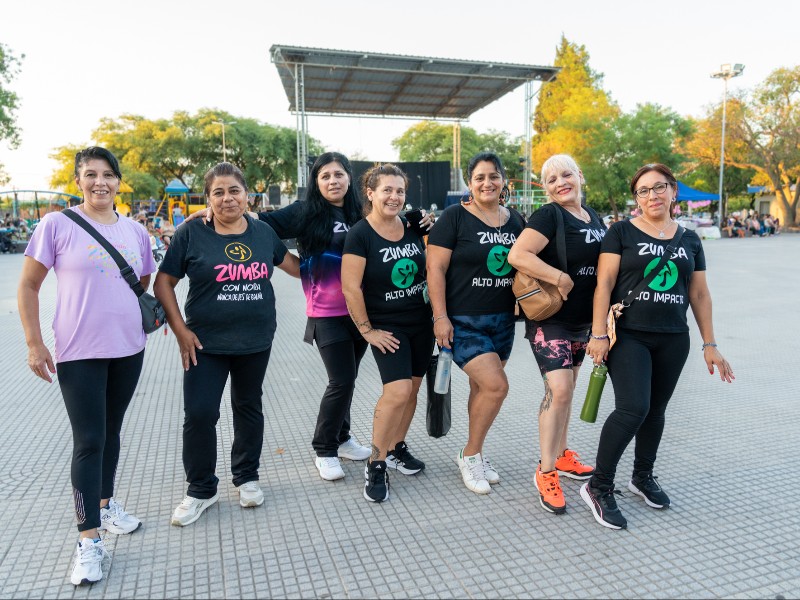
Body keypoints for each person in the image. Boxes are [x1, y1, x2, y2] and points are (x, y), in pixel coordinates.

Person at [186, 152, 432, 482]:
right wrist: (213, 211)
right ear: (316, 181)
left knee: (349, 379)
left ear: (349, 178)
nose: (333, 181)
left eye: (339, 174)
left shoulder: (360, 211)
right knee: (340, 380)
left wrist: (422, 219)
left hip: (363, 312)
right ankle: (324, 448)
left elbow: (395, 223)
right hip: (327, 313)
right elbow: (256, 222)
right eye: (325, 176)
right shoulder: (304, 211)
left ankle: (342, 438)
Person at [17, 146, 156, 586]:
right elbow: (28, 285)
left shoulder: (135, 231)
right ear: (78, 181)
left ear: (118, 181)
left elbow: (143, 280)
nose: (100, 182)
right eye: (91, 174)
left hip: (129, 348)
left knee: (112, 431)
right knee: (89, 441)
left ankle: (105, 505)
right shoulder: (56, 225)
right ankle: (88, 539)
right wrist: (34, 343)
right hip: (78, 352)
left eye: (108, 174)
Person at [583, 163, 735, 530]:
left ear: (673, 191)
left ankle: (642, 475)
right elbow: (604, 284)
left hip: (673, 337)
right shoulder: (620, 232)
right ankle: (598, 485)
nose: (652, 195)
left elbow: (699, 294)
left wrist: (710, 343)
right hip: (629, 335)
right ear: (636, 198)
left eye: (659, 187)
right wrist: (598, 334)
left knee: (656, 410)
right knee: (633, 408)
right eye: (644, 190)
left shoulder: (690, 239)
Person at [154, 162, 300, 527]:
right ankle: (201, 489)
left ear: (247, 195)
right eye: (218, 192)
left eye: (234, 190)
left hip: (256, 339)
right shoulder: (191, 233)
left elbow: (296, 267)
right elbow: (163, 283)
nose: (227, 198)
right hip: (204, 343)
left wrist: (342, 253)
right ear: (208, 198)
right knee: (200, 413)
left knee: (248, 406)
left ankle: (247, 477)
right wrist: (180, 330)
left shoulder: (263, 232)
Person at [508, 154, 606, 514]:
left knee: (568, 391)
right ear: (546, 188)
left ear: (579, 175)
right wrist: (558, 277)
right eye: (551, 179)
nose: (560, 183)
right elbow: (518, 255)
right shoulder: (548, 215)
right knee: (559, 391)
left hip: (583, 323)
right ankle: (546, 470)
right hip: (551, 320)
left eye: (566, 175)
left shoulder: (593, 216)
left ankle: (563, 455)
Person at [427, 152, 525, 495]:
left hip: (503, 321)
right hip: (463, 321)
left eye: (494, 176)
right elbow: (435, 269)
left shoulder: (516, 221)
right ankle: (469, 455)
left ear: (504, 181)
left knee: (481, 389)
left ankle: (476, 452)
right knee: (497, 387)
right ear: (469, 183)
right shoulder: (454, 217)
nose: (487, 183)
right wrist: (440, 317)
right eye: (480, 177)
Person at [341, 164, 432, 502]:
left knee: (413, 390)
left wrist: (430, 229)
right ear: (371, 193)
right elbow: (351, 288)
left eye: (400, 191)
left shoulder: (412, 225)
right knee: (397, 391)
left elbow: (434, 263)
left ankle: (396, 448)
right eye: (387, 190)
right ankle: (376, 462)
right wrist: (367, 331)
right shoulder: (360, 234)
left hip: (421, 322)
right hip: (387, 326)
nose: (394, 197)